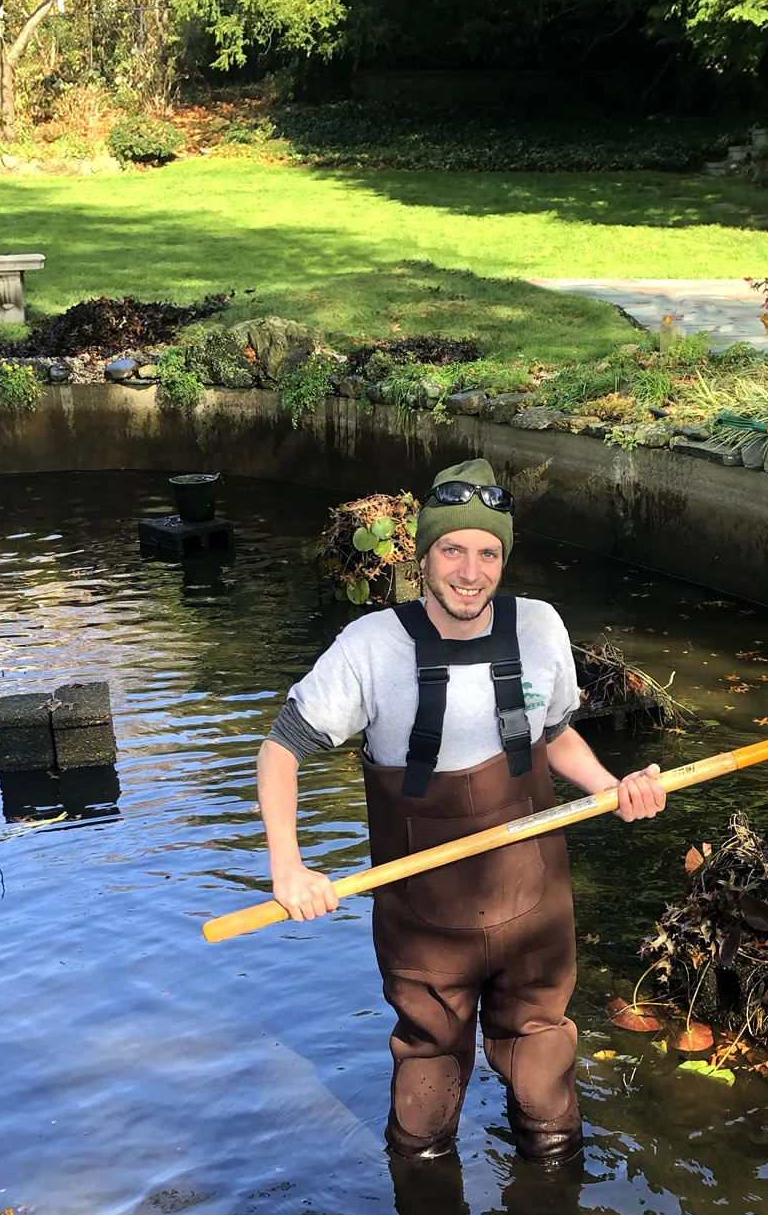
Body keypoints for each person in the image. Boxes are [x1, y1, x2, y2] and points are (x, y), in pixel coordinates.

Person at [257, 459, 666, 1167]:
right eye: (452, 549)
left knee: (549, 1103)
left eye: (487, 551)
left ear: (503, 558)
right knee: (423, 1104)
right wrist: (288, 866)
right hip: (424, 928)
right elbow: (281, 748)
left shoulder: (539, 629)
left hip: (534, 914)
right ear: (422, 556)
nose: (469, 571)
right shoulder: (370, 648)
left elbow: (555, 734)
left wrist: (609, 787)